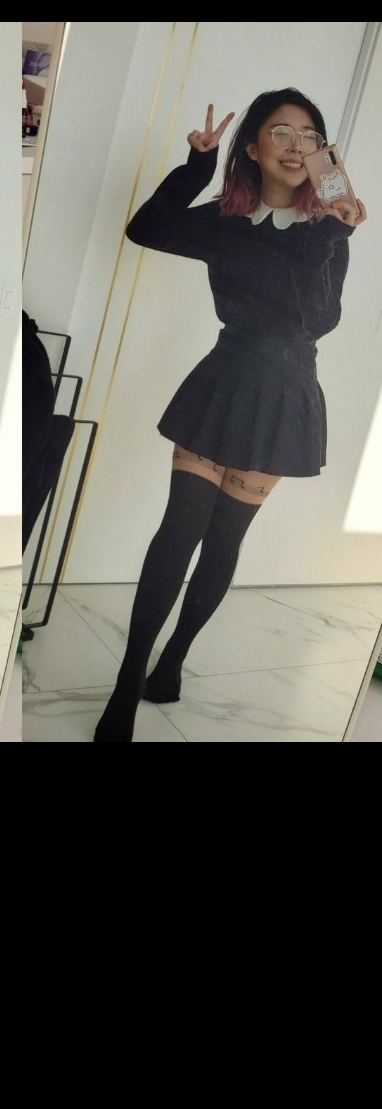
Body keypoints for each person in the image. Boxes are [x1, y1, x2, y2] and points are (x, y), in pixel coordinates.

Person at [94, 90, 366, 743]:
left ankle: (174, 658)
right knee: (178, 531)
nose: (297, 147)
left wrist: (331, 232)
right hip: (223, 380)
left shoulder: (329, 225)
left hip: (285, 393)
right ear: (252, 147)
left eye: (310, 136)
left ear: (323, 151)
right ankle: (128, 682)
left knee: (224, 541)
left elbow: (318, 320)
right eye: (282, 133)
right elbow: (146, 229)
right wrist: (197, 167)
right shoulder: (226, 218)